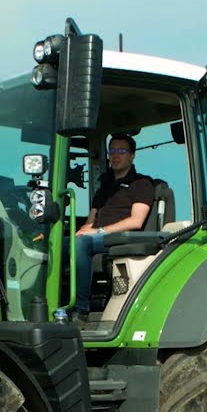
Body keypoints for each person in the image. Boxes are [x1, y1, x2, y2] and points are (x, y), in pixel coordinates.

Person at [73, 133, 154, 318]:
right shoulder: (104, 187)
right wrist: (82, 231)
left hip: (120, 237)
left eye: (122, 151)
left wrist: (98, 231)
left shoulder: (141, 183)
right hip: (97, 235)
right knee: (57, 244)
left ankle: (80, 309)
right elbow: (90, 220)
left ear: (132, 155)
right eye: (112, 151)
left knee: (81, 243)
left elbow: (136, 221)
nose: (115, 155)